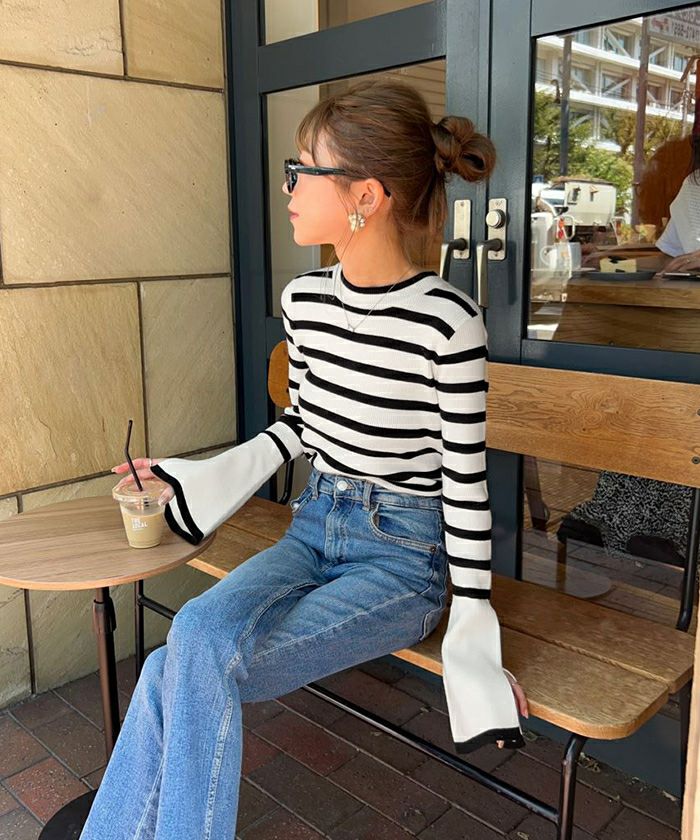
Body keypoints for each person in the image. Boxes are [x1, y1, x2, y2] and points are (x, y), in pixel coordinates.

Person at [79, 79, 528, 840]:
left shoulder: (448, 323)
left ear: (365, 197)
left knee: (184, 662)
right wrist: (196, 474)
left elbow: (465, 481)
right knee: (190, 647)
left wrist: (475, 631)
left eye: (301, 171)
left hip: (402, 561)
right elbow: (303, 425)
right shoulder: (306, 301)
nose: (287, 188)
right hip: (313, 527)